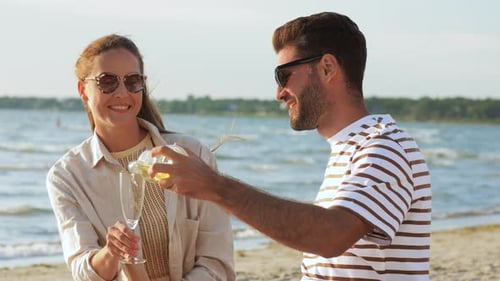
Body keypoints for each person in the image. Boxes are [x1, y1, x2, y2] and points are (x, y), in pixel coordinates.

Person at [150, 12, 432, 281]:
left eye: (283, 76)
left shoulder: (385, 146)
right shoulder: (352, 148)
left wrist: (214, 187)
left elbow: (330, 236)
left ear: (327, 67)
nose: (279, 94)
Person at [46, 34, 235, 281]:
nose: (122, 92)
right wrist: (110, 252)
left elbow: (217, 262)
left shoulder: (192, 155)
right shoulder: (66, 176)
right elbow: (83, 270)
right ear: (83, 90)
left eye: (132, 81)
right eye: (107, 81)